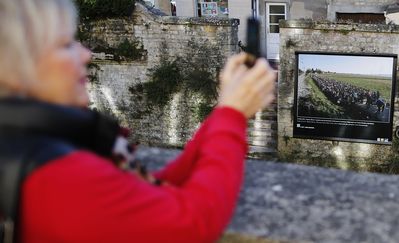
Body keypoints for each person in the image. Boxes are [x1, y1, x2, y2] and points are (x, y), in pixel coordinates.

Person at [0, 0, 276, 242]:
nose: (86, 54)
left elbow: (147, 192)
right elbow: (193, 223)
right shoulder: (57, 174)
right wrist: (233, 115)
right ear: (16, 66)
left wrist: (224, 111)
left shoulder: (29, 139)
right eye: (66, 45)